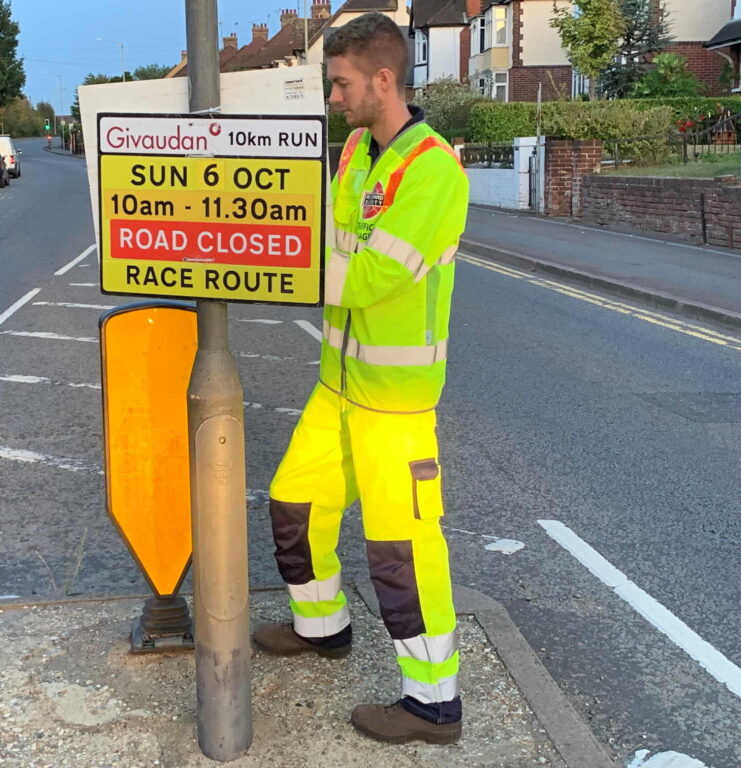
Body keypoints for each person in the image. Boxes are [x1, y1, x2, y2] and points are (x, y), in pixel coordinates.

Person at [251, 12, 469, 746]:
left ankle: (435, 704)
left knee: (402, 553)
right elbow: (326, 231)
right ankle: (323, 628)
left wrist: (280, 263)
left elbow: (375, 275)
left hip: (394, 405)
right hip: (337, 387)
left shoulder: (433, 169)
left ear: (383, 78)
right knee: (292, 505)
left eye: (340, 83)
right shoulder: (353, 152)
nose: (332, 96)